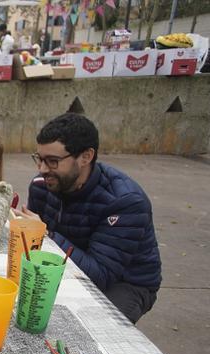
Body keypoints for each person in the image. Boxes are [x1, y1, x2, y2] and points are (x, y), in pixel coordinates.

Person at [18, 113, 161, 323]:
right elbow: (35, 249)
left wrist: (46, 234)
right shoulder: (42, 185)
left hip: (125, 283)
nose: (42, 169)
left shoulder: (124, 202)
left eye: (53, 161)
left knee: (91, 329)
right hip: (64, 264)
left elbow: (100, 276)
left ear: (86, 157)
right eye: (39, 159)